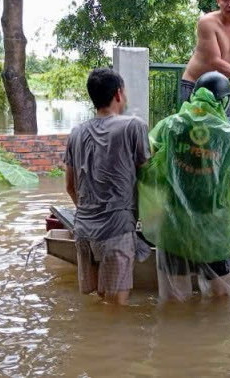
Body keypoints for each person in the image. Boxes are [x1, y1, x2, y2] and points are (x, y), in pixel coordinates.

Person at [138, 71, 230, 302]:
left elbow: (144, 162)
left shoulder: (170, 126)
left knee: (173, 304)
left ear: (193, 96)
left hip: (173, 229)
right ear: (224, 101)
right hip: (214, 233)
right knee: (221, 300)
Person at [64, 68, 151, 305]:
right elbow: (149, 176)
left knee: (100, 300)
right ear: (119, 94)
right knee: (116, 308)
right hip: (117, 229)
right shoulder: (134, 126)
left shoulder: (76, 133)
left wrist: (91, 213)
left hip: (84, 229)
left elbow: (70, 186)